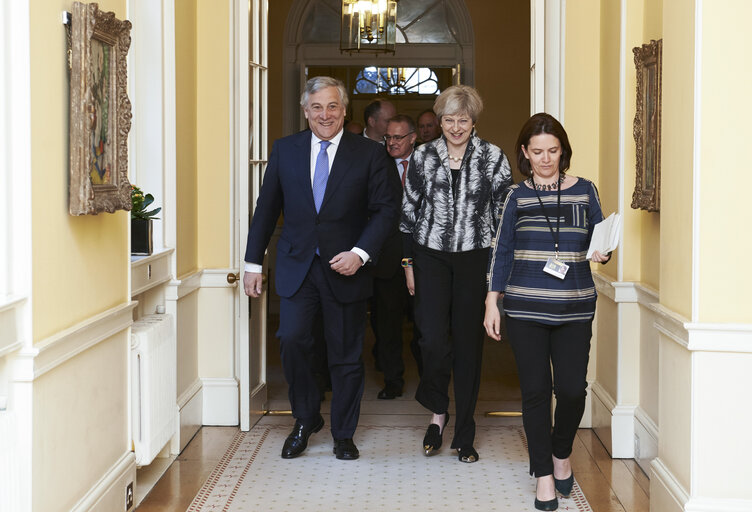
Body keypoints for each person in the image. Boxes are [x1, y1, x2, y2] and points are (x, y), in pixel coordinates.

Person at [243, 76, 401, 461]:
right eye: (317, 107)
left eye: (332, 106)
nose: (324, 114)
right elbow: (266, 211)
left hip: (346, 268)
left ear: (344, 110)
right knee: (293, 341)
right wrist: (252, 263)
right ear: (305, 111)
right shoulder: (286, 150)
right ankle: (306, 418)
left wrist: (360, 253)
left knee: (346, 354)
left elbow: (386, 210)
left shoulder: (369, 153)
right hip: (297, 266)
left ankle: (344, 433)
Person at [483, 113, 611, 511]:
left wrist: (603, 252)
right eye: (537, 151)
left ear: (563, 150)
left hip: (575, 308)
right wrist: (492, 300)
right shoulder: (515, 197)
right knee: (535, 392)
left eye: (553, 151)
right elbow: (502, 251)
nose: (545, 159)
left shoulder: (585, 191)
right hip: (524, 308)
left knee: (572, 390)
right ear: (524, 152)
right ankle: (543, 473)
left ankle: (561, 453)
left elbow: (600, 240)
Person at [401, 85, 512, 463]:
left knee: (468, 347)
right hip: (429, 255)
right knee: (431, 339)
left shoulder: (493, 158)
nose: (455, 127)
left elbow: (502, 220)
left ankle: (464, 432)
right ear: (440, 121)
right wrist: (407, 265)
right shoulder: (423, 156)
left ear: (473, 121)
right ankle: (438, 411)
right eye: (448, 120)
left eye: (462, 120)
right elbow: (408, 213)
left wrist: (497, 280)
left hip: (474, 258)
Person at [370, 114, 422, 400]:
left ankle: (429, 380)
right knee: (386, 326)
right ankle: (393, 380)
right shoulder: (375, 163)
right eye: (388, 137)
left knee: (426, 325)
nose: (391, 143)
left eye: (398, 137)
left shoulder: (428, 162)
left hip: (424, 257)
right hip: (386, 258)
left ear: (413, 138)